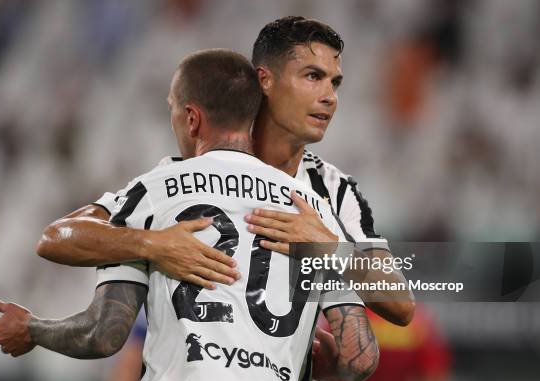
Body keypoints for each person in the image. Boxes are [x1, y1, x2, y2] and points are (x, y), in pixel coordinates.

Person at [0, 49, 379, 381]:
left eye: (173, 108)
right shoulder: (310, 209)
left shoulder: (157, 191)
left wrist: (32, 328)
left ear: (191, 118)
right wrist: (329, 366)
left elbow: (103, 331)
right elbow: (359, 356)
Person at [35, 16, 414, 325]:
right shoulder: (193, 171)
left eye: (335, 82)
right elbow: (59, 237)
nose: (330, 96)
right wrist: (149, 244)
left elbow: (402, 305)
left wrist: (330, 248)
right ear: (265, 80)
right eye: (313, 77)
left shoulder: (337, 191)